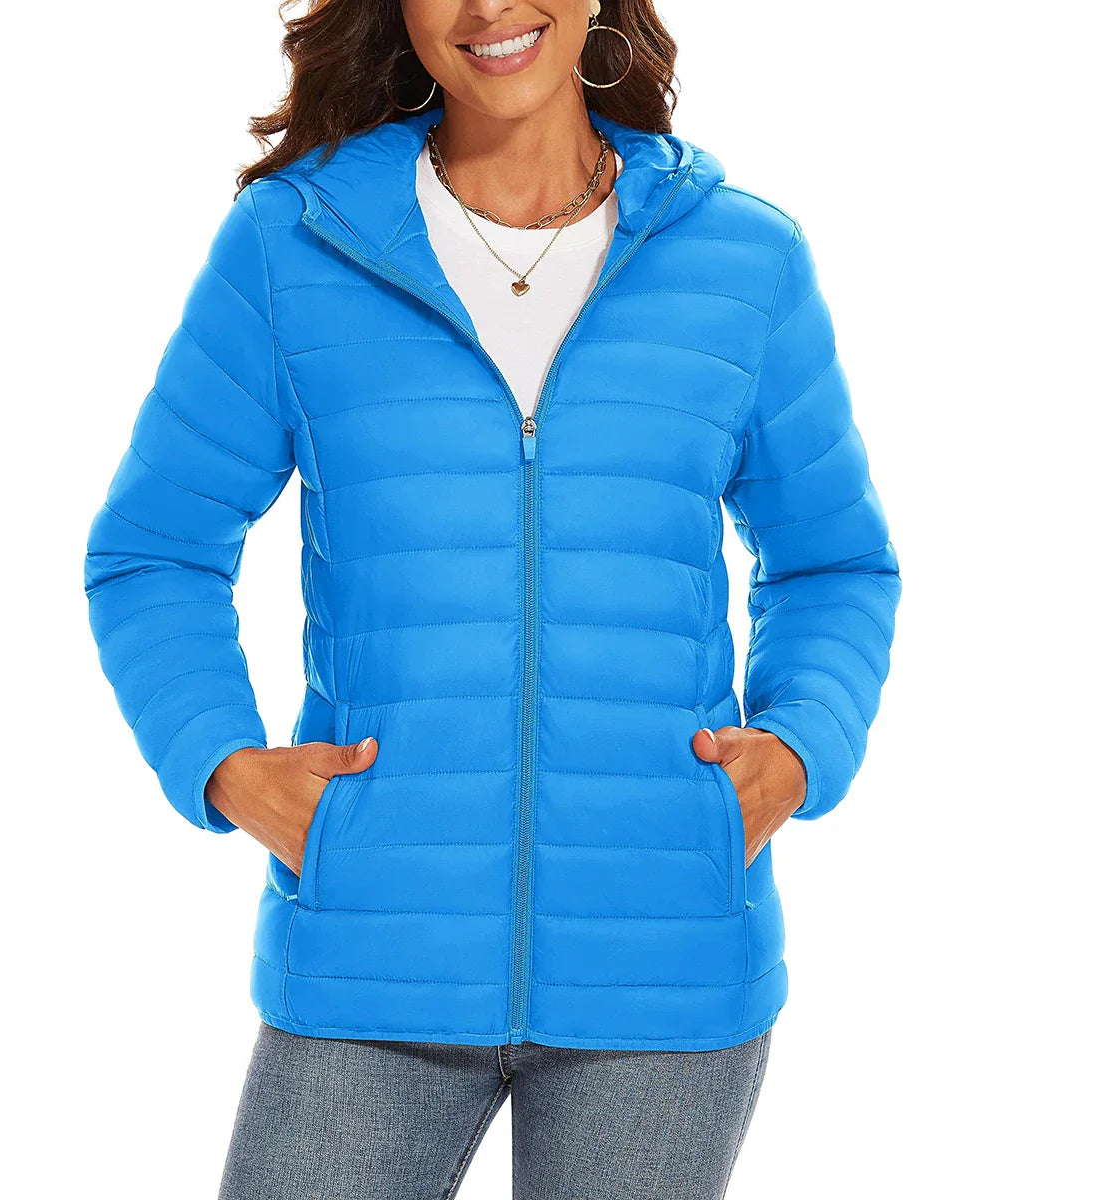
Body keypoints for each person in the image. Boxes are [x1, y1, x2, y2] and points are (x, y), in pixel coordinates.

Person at [83, 2, 901, 1196]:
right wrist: (223, 764)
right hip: (373, 948)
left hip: (665, 956)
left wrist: (799, 746)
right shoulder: (293, 244)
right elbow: (154, 551)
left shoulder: (743, 259)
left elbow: (833, 562)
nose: (489, 6)